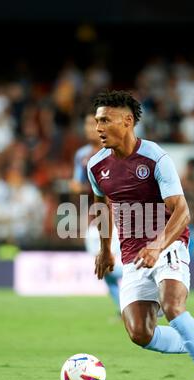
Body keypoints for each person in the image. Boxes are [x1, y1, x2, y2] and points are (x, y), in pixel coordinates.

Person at [87, 90, 194, 380]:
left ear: (127, 122)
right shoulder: (96, 166)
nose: (99, 127)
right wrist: (104, 249)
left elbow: (182, 211)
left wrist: (157, 245)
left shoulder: (155, 158)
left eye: (105, 120)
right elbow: (101, 207)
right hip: (132, 255)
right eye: (97, 121)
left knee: (173, 306)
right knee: (140, 333)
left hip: (169, 243)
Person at [70, 112, 122, 312]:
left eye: (94, 124)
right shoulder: (81, 155)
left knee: (114, 265)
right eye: (86, 124)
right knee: (104, 268)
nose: (89, 129)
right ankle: (123, 309)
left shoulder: (113, 151)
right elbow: (77, 185)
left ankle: (141, 295)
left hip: (117, 218)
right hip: (94, 219)